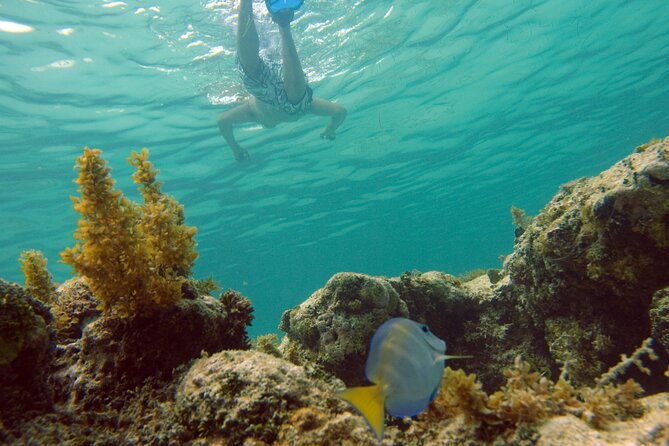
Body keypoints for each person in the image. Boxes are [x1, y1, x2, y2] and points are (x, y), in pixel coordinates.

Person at [218, 0, 347, 161]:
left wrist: (236, 148)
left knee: (254, 76)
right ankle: (282, 23)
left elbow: (223, 121)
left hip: (271, 90)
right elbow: (340, 112)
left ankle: (279, 20)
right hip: (278, 90)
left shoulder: (252, 110)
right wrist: (329, 131)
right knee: (289, 97)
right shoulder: (254, 111)